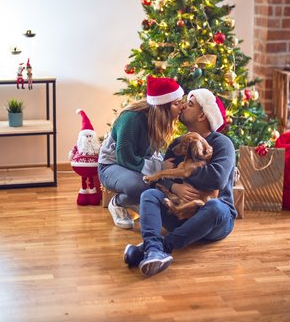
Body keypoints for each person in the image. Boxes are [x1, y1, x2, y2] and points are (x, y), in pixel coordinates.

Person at [124, 88, 236, 277]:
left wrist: (184, 172)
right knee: (149, 195)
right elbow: (162, 178)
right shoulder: (178, 143)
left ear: (202, 115)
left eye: (190, 104)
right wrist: (175, 186)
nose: (182, 106)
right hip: (179, 214)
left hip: (214, 220)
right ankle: (153, 248)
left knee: (216, 206)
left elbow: (217, 178)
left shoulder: (222, 143)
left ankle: (158, 248)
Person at [98, 76, 184, 229]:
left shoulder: (157, 121)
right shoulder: (132, 119)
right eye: (177, 103)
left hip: (133, 168)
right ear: (162, 107)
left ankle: (137, 201)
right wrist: (160, 167)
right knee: (141, 186)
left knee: (153, 184)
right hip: (110, 166)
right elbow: (126, 158)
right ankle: (118, 202)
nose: (181, 107)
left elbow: (153, 154)